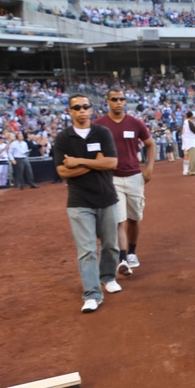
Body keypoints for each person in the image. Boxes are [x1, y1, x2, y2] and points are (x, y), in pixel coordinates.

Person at [52, 94, 122, 313]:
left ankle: (108, 276)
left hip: (107, 198)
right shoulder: (63, 138)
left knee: (111, 245)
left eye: (85, 106)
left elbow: (112, 162)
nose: (82, 110)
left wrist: (79, 162)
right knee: (87, 250)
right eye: (77, 107)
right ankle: (92, 293)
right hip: (79, 202)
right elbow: (62, 171)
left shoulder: (102, 132)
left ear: (91, 110)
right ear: (70, 111)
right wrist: (96, 163)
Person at [94, 88, 155, 276]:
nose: (118, 102)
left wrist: (150, 167)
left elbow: (150, 144)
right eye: (114, 99)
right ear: (108, 102)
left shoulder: (135, 123)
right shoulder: (99, 125)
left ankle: (132, 252)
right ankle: (122, 258)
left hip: (135, 176)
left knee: (134, 218)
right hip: (112, 178)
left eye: (121, 99)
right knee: (119, 220)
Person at [180, 110, 195, 176]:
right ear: (191, 116)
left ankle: (186, 170)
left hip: (186, 141)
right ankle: (191, 170)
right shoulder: (189, 122)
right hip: (191, 142)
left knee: (187, 156)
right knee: (192, 157)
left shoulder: (185, 122)